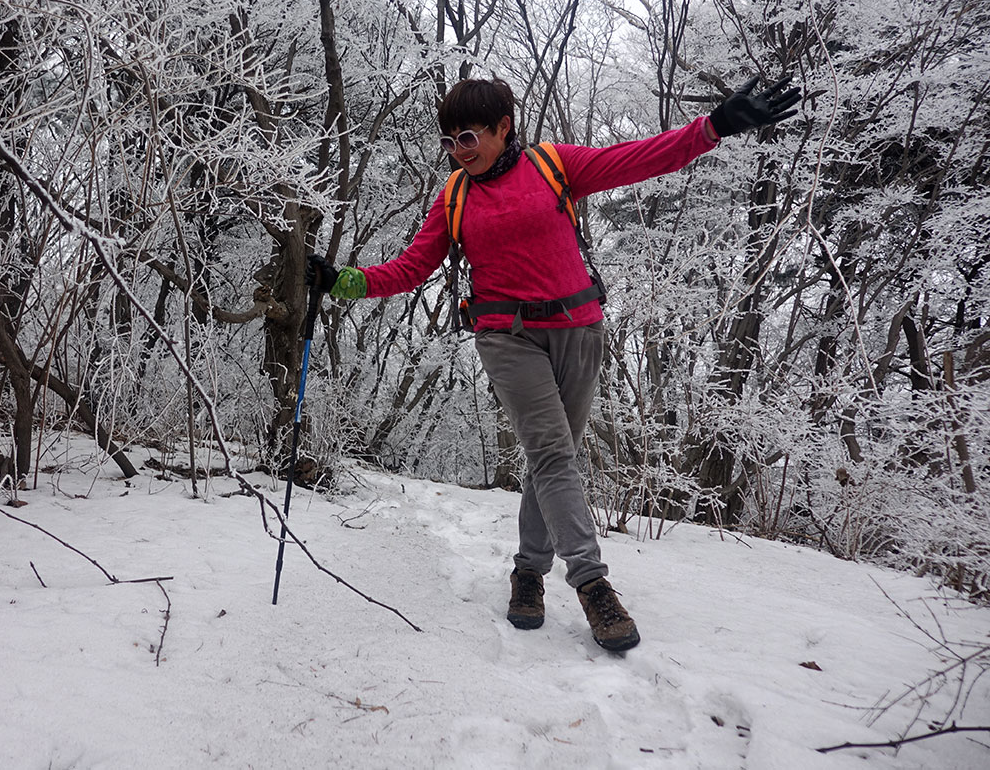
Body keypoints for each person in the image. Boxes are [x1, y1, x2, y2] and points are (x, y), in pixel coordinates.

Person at [308, 74, 800, 652]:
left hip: (579, 331)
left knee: (552, 460)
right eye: (449, 141)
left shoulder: (551, 166)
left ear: (503, 127)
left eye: (467, 136)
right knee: (551, 452)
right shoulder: (455, 197)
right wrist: (345, 280)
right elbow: (412, 267)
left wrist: (713, 127)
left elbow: (636, 160)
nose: (459, 150)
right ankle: (593, 586)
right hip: (506, 337)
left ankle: (528, 572)